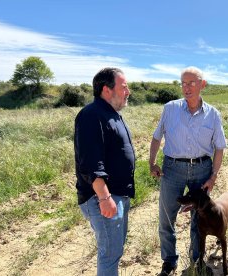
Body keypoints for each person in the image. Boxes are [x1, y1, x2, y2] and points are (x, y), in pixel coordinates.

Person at [149, 66, 227, 276]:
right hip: (172, 168)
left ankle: (197, 260)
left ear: (203, 84)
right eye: (183, 83)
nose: (186, 87)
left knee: (199, 218)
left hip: (202, 169)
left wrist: (213, 175)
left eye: (192, 83)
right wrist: (152, 162)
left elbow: (220, 147)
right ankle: (169, 261)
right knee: (167, 216)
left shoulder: (213, 114)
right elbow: (157, 137)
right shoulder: (170, 108)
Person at [74, 67, 135, 276]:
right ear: (106, 89)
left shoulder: (112, 114)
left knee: (114, 251)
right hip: (104, 197)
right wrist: (104, 196)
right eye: (124, 86)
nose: (128, 91)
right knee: (109, 254)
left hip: (116, 195)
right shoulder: (92, 115)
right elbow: (90, 162)